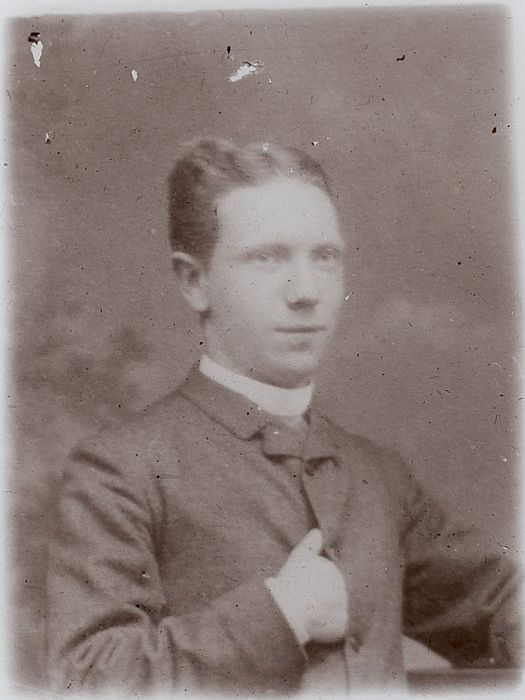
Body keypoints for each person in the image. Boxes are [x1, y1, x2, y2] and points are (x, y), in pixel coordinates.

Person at [46, 138, 521, 696]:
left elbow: (498, 607)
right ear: (194, 282)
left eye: (325, 257)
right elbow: (84, 679)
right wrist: (282, 614)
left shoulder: (379, 479)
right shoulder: (117, 473)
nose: (307, 291)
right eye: (267, 258)